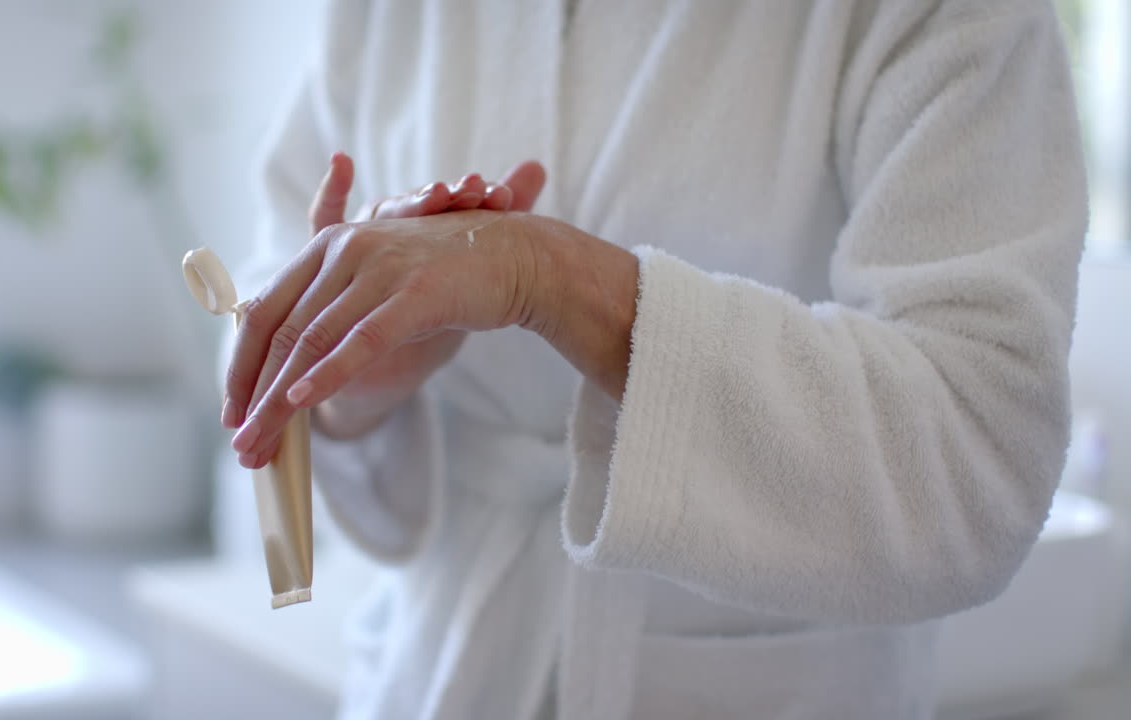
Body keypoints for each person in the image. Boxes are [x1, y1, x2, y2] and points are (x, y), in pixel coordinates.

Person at [223, 1, 1087, 718]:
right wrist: (352, 383)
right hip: (429, 673)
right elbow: (260, 313)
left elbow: (978, 453)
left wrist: (558, 282)